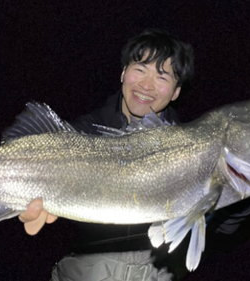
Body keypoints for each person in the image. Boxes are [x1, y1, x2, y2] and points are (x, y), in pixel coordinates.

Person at [19, 28, 194, 280]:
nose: (146, 85)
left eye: (162, 77)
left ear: (176, 91)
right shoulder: (82, 134)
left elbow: (223, 228)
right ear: (123, 72)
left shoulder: (190, 148)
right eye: (140, 69)